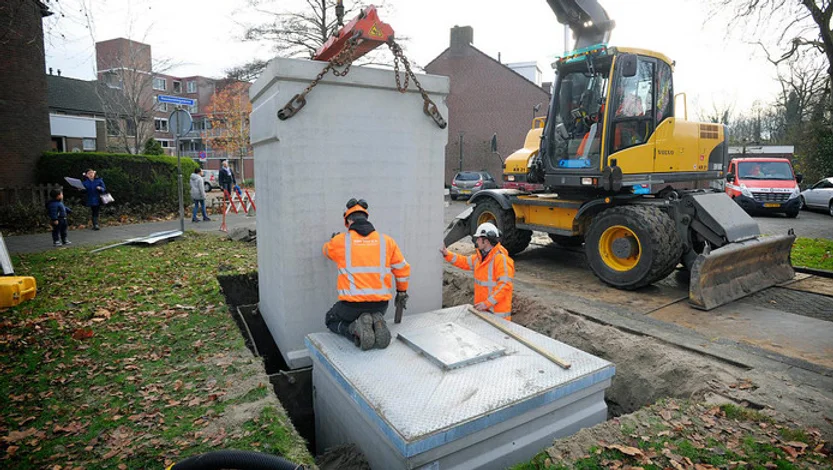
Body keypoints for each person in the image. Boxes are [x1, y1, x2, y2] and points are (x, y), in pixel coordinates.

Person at [322, 198, 410, 350]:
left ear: (349, 221)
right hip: (381, 305)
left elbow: (326, 251)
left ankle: (355, 331)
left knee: (330, 319)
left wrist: (333, 240)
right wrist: (401, 292)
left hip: (351, 307)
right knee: (373, 311)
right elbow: (402, 269)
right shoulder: (387, 241)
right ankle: (376, 323)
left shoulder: (340, 241)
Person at [441, 222, 515, 321]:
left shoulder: (501, 260)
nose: (477, 241)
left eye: (479, 239)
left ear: (486, 241)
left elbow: (504, 285)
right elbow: (463, 261)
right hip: (483, 311)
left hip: (498, 317)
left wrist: (487, 303)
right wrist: (447, 254)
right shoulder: (479, 258)